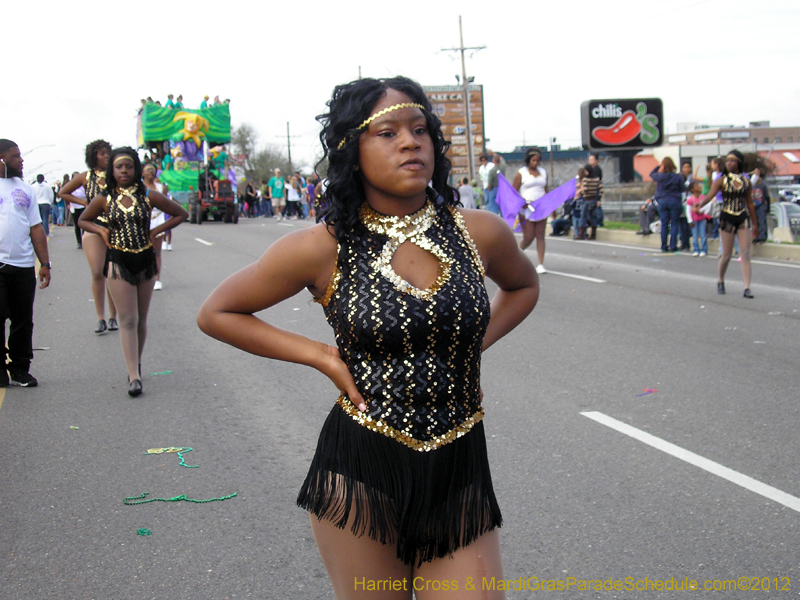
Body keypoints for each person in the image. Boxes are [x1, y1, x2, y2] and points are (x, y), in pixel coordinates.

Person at [197, 76, 539, 599]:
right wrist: (322, 357)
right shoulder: (321, 247)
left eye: (420, 129)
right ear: (351, 150)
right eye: (387, 133)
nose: (410, 142)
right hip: (360, 474)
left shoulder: (481, 231)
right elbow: (218, 312)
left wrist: (468, 348)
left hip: (458, 471)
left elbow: (522, 286)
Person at [79, 148, 187, 396]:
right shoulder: (104, 199)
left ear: (135, 169)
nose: (124, 171)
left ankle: (136, 362)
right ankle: (134, 376)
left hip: (146, 260)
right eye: (119, 167)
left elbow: (181, 213)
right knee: (127, 319)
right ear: (112, 171)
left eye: (128, 167)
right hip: (118, 261)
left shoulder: (148, 195)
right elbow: (83, 220)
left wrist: (155, 231)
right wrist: (101, 231)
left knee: (141, 318)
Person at [0, 139, 51, 387]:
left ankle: (20, 369)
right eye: (16, 156)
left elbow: (36, 228)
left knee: (23, 319)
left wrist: (45, 263)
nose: (21, 160)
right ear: (1, 159)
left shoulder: (25, 189)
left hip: (22, 265)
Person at [58, 140, 118, 333]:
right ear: (93, 156)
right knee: (97, 272)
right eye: (101, 153)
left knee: (112, 273)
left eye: (108, 152)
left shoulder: (116, 175)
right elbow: (63, 192)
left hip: (115, 228)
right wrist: (84, 203)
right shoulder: (86, 177)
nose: (106, 156)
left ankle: (113, 316)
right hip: (93, 227)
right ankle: (100, 317)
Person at [695, 150, 756, 298]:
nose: (729, 163)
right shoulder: (721, 180)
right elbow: (710, 195)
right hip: (727, 217)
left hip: (742, 217)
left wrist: (755, 224)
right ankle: (720, 280)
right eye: (727, 160)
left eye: (733, 160)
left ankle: (747, 288)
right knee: (727, 255)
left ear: (739, 163)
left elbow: (749, 203)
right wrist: (700, 204)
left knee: (745, 253)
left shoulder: (746, 181)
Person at [513, 148, 548, 273]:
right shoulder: (521, 173)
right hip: (526, 208)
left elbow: (546, 189)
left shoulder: (543, 172)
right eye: (533, 160)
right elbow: (513, 191)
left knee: (540, 235)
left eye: (538, 160)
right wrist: (521, 202)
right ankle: (515, 254)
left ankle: (540, 264)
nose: (536, 163)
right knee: (528, 237)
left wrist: (551, 207)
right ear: (529, 160)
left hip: (541, 207)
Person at [143, 163, 169, 290]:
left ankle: (157, 279)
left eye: (153, 170)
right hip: (142, 221)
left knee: (156, 251)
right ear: (142, 172)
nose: (151, 172)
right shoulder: (138, 187)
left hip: (157, 220)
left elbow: (166, 203)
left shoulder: (161, 187)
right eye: (148, 170)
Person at [650, 157, 684, 252]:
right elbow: (683, 188)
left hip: (662, 201)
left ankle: (664, 246)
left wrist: (658, 166)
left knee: (664, 224)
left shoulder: (660, 176)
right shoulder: (678, 177)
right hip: (674, 201)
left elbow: (651, 174)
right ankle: (673, 246)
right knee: (674, 224)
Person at [686, 181, 710, 256]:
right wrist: (690, 221)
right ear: (692, 190)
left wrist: (700, 210)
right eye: (696, 186)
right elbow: (688, 211)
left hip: (702, 219)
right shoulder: (690, 199)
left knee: (703, 234)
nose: (698, 187)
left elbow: (707, 206)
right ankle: (696, 249)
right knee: (695, 235)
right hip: (694, 220)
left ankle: (704, 249)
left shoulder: (703, 197)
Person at [751, 168, 770, 244]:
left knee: (761, 222)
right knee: (755, 223)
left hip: (761, 206)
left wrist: (768, 207)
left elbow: (767, 197)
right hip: (753, 206)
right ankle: (756, 237)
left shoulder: (763, 186)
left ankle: (762, 237)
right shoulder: (752, 186)